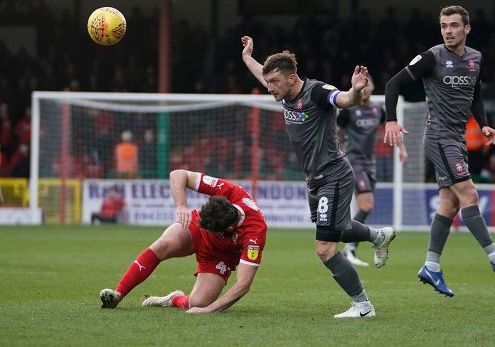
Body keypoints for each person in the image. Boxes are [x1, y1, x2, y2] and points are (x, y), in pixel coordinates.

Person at [241, 35, 395, 318]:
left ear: (292, 78)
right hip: (315, 178)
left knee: (324, 248)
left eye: (274, 82)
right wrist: (247, 57)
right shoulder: (283, 90)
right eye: (269, 81)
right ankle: (378, 235)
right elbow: (264, 76)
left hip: (334, 174)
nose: (269, 87)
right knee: (339, 227)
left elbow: (344, 99)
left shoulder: (316, 92)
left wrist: (355, 91)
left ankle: (363, 306)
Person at [384, 5, 495, 297]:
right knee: (470, 194)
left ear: (467, 28)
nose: (448, 31)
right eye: (443, 26)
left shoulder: (476, 59)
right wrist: (391, 120)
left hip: (457, 138)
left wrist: (484, 124)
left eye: (453, 25)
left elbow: (474, 93)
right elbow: (393, 84)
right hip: (439, 137)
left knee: (449, 205)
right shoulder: (431, 57)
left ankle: (431, 265)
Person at [99, 169, 267, 313]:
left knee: (198, 303)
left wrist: (208, 310)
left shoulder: (255, 233)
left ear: (229, 229)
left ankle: (174, 299)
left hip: (220, 256)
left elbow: (243, 284)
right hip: (197, 228)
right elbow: (178, 174)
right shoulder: (228, 190)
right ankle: (118, 294)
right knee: (163, 245)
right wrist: (181, 206)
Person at [337, 76, 408, 267]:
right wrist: (339, 151)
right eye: (363, 85)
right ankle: (350, 247)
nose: (366, 88)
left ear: (373, 87)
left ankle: (350, 245)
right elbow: (337, 130)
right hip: (353, 162)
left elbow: (391, 129)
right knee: (367, 205)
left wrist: (402, 149)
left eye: (369, 84)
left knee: (366, 207)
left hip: (370, 164)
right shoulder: (349, 110)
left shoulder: (378, 109)